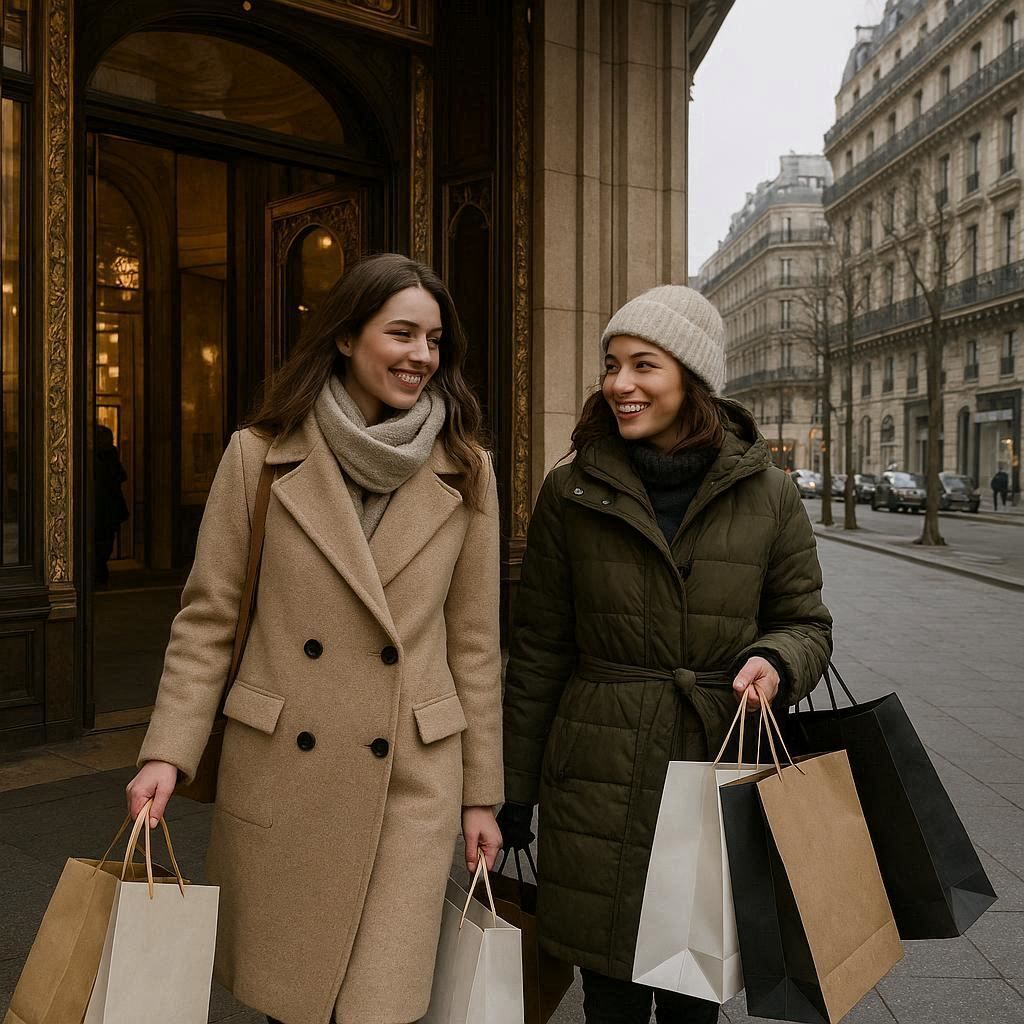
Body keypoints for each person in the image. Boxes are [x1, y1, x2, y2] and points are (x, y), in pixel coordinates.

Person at [126, 254, 504, 1024]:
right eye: (401, 333)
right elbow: (209, 619)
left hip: (410, 775)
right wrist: (168, 749)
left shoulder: (466, 471)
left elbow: (474, 645)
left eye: (434, 340)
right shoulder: (259, 457)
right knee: (292, 1004)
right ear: (345, 337)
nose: (421, 356)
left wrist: (482, 795)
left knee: (378, 1006)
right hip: (285, 772)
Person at [498, 285, 832, 1024]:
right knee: (609, 990)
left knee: (691, 991)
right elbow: (539, 653)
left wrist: (776, 660)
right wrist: (514, 791)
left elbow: (807, 623)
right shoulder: (572, 490)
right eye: (612, 365)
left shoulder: (770, 495)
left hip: (712, 762)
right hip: (596, 772)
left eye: (642, 364)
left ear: (690, 376)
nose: (619, 384)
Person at [93, 424, 129, 584]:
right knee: (101, 541)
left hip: (108, 507)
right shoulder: (96, 455)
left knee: (105, 541)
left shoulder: (110, 454)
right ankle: (99, 570)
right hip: (100, 506)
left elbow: (120, 475)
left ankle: (100, 570)